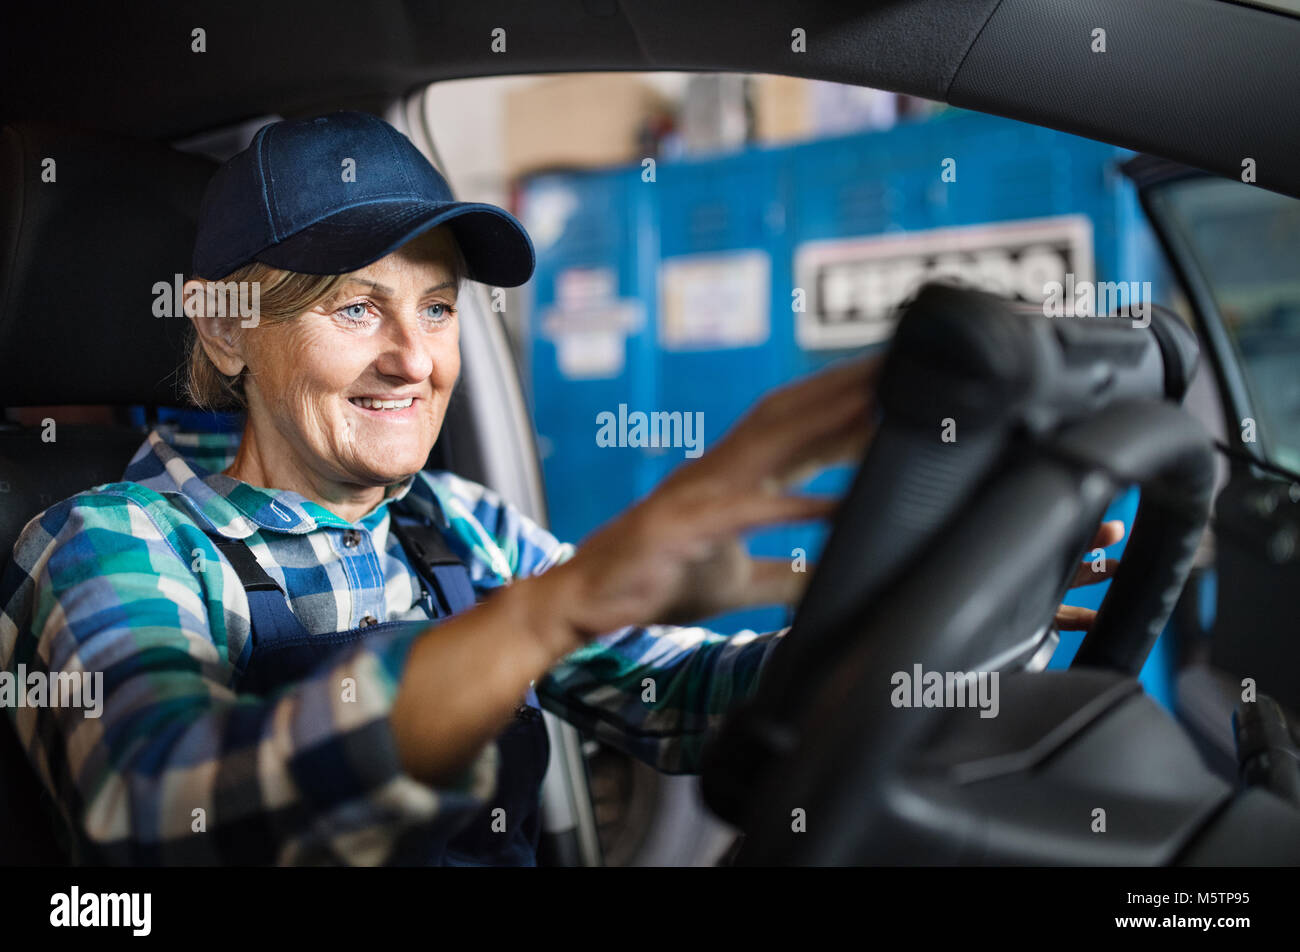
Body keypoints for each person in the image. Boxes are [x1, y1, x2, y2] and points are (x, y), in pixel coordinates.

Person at [0, 112, 1119, 865]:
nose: (415, 359)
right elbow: (149, 804)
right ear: (226, 328)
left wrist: (926, 615)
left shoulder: (459, 527)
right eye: (355, 308)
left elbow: (677, 701)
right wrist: (553, 610)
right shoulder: (106, 542)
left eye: (437, 308)